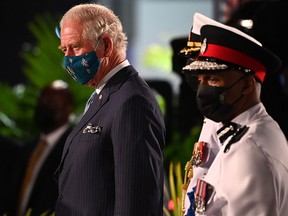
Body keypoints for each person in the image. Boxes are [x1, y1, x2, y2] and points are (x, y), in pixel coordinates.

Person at [55, 3, 166, 215]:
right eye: (64, 50)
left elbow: (137, 202)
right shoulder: (104, 95)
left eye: (75, 47)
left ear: (105, 45)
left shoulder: (132, 101)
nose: (68, 59)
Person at [182, 12, 288, 216]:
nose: (202, 90)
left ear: (247, 85)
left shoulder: (249, 149)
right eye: (201, 80)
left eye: (213, 80)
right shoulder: (241, 133)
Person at [13, 80, 74, 216]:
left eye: (51, 102)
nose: (44, 105)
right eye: (41, 100)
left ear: (68, 109)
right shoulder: (28, 148)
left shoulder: (76, 147)